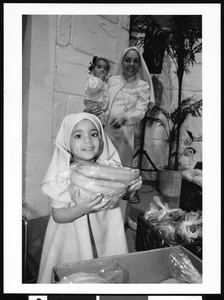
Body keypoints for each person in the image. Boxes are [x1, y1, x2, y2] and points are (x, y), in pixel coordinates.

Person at [37, 112, 142, 283]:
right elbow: (58, 215)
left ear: (101, 140)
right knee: (77, 276)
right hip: (75, 235)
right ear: (67, 143)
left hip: (106, 230)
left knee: (107, 272)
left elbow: (124, 195)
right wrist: (81, 209)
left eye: (94, 134)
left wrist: (131, 189)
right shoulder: (64, 175)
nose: (87, 140)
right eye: (78, 135)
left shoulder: (110, 170)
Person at [85, 46, 155, 229]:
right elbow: (101, 99)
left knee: (122, 178)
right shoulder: (111, 80)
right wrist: (92, 109)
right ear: (122, 61)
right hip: (104, 134)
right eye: (127, 60)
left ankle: (123, 218)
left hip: (124, 136)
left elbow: (141, 110)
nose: (131, 64)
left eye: (135, 60)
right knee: (101, 175)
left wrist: (126, 117)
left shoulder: (143, 85)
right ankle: (100, 218)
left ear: (139, 64)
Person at [83, 56, 110, 126]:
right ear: (93, 70)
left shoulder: (105, 83)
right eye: (99, 67)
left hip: (100, 109)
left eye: (105, 69)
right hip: (92, 105)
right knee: (91, 123)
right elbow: (93, 87)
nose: (102, 70)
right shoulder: (92, 80)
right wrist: (100, 80)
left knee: (100, 125)